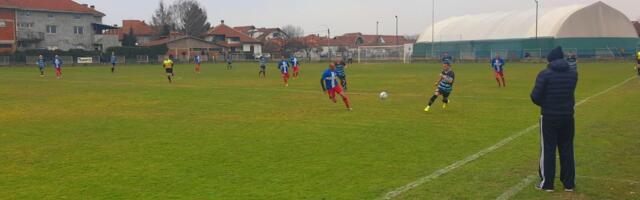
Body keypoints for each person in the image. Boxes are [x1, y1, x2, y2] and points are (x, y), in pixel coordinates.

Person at [530, 46, 578, 193]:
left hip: (549, 117)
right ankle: (569, 183)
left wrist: (547, 104)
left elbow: (535, 97)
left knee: (548, 149)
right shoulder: (573, 74)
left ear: (550, 60)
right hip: (568, 116)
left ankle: (547, 184)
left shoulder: (544, 74)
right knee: (567, 148)